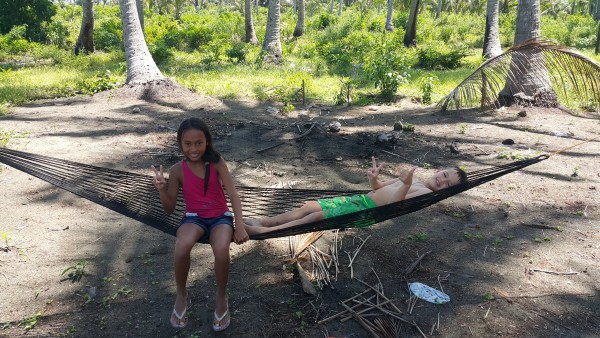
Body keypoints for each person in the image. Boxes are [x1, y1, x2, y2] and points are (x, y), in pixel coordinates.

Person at [152, 117, 249, 331]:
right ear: (180, 144)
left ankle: (221, 297)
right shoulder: (177, 170)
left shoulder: (216, 163)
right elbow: (169, 208)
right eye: (188, 144)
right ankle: (181, 294)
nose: (193, 148)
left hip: (220, 217)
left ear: (207, 142)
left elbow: (233, 194)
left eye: (198, 143)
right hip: (193, 217)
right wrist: (161, 188)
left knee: (222, 248)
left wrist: (239, 225)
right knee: (182, 245)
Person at [244, 157, 467, 235]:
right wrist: (373, 178)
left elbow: (394, 206)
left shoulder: (425, 194)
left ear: (446, 191)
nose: (442, 180)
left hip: (367, 212)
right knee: (309, 206)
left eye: (447, 184)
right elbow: (380, 188)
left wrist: (406, 185)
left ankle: (265, 230)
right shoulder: (415, 179)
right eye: (445, 174)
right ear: (440, 169)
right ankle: (265, 220)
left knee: (315, 217)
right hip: (361, 200)